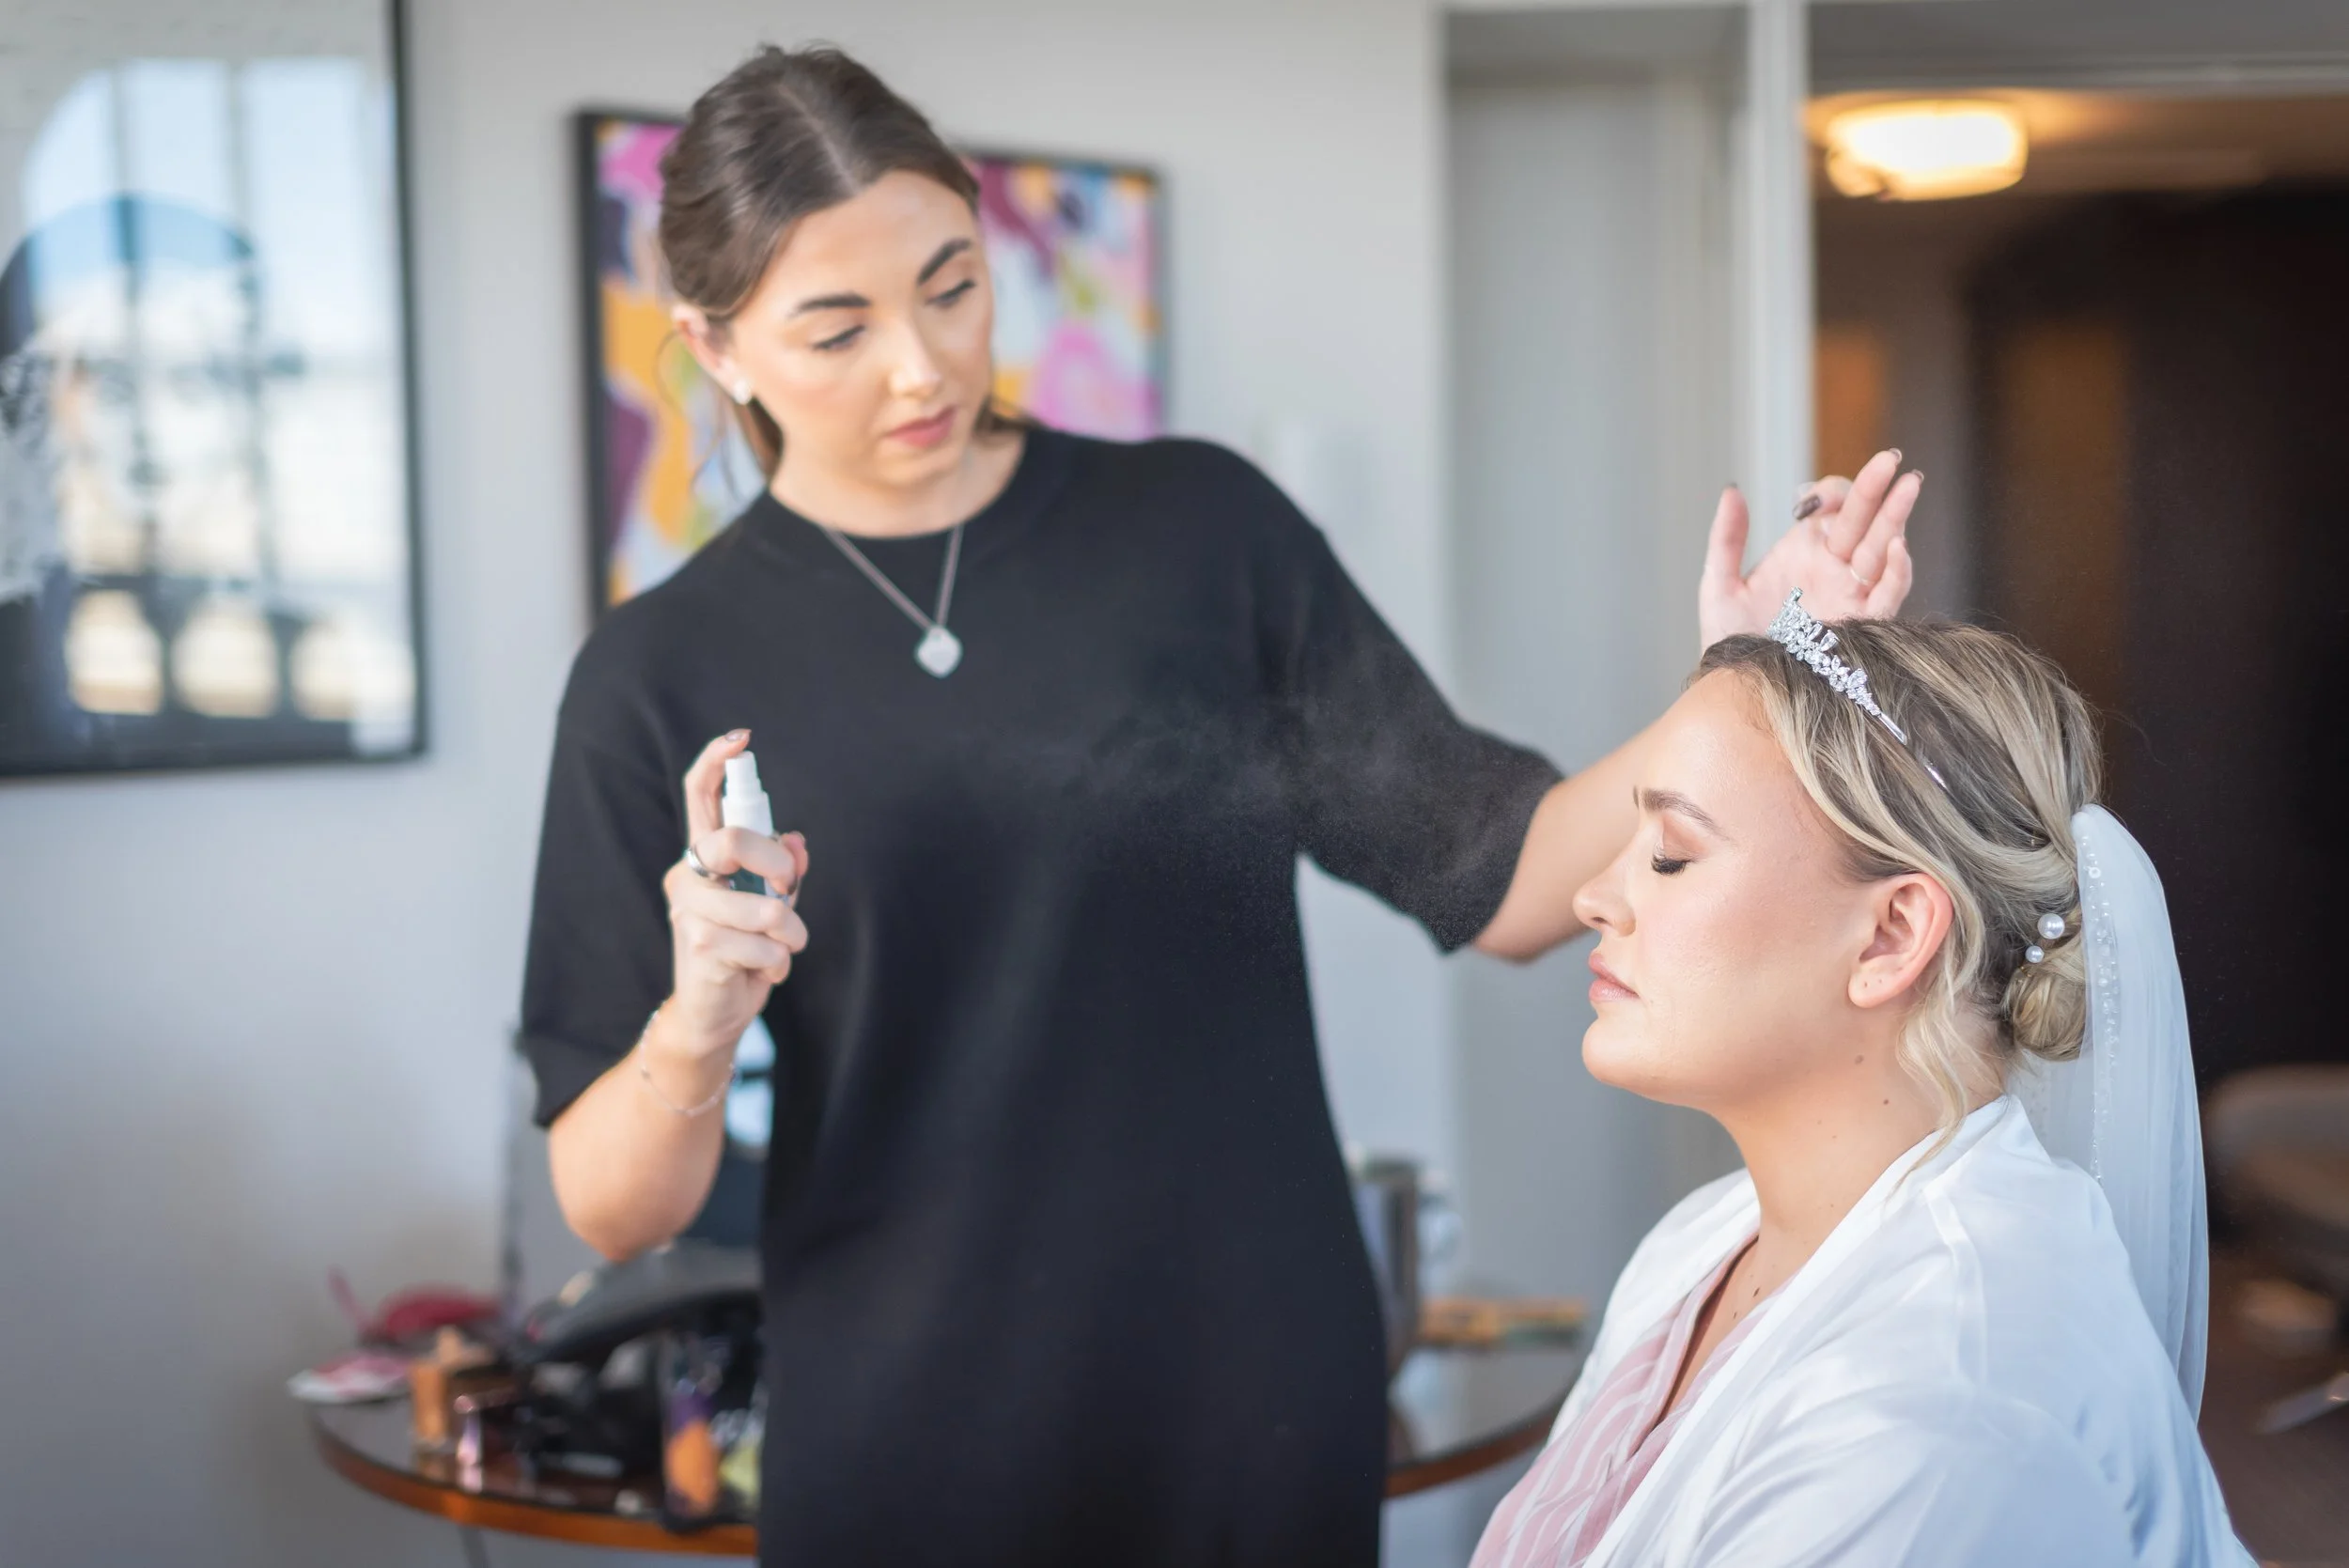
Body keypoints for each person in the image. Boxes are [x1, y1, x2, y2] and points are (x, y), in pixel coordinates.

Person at [520, 45, 1920, 1568]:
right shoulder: (659, 674)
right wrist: (700, 1018)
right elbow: (610, 1205)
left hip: (1248, 1395)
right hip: (908, 1427)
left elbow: (1504, 873)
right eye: (838, 328)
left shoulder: (1198, 533)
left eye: (952, 286)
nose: (920, 366)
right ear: (715, 346)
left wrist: (1748, 672)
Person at [1471, 601, 2253, 1567]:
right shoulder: (1702, 1241)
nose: (1592, 897)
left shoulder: (1940, 1414)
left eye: (1670, 854)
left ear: (1890, 936)